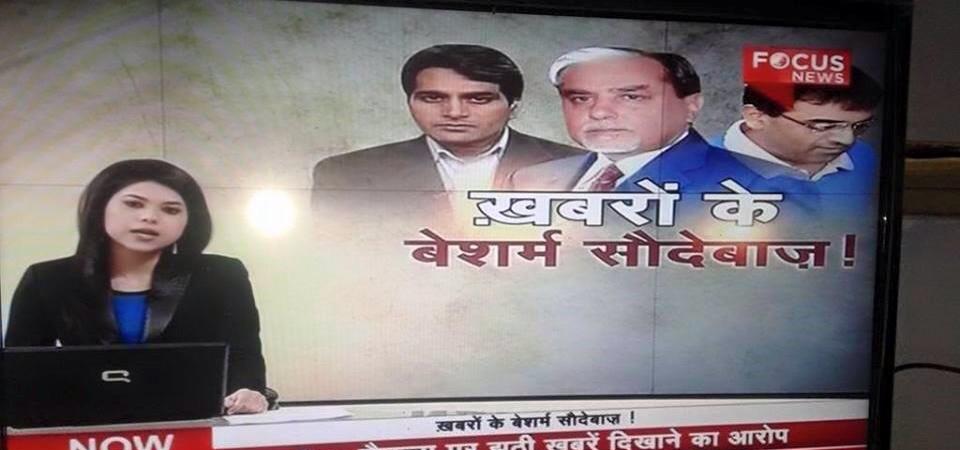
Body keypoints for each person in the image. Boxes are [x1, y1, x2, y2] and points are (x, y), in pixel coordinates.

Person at [4, 159, 268, 414]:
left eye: (171, 209)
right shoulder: (47, 279)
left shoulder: (222, 274)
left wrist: (248, 390)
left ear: (189, 220)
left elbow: (244, 351)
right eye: (133, 204)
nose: (149, 217)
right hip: (84, 421)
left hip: (193, 418)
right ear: (100, 206)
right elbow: (22, 369)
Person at [311, 44, 582, 200]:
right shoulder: (347, 173)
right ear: (410, 101)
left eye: (477, 99)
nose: (454, 112)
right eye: (432, 98)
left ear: (513, 106)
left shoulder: (584, 167)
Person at [506, 47, 782, 194]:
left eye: (630, 97)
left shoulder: (766, 183)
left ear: (691, 106)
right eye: (580, 98)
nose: (599, 112)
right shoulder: (531, 178)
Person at [715, 66, 882, 192]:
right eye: (824, 126)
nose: (847, 140)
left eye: (860, 126)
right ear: (756, 117)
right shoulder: (702, 169)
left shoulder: (867, 157)